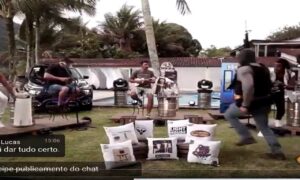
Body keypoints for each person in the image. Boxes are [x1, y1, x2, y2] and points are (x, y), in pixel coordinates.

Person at [224, 49, 286, 160]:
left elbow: (249, 86)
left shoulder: (244, 69)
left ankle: (246, 136)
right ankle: (277, 152)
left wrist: (245, 105)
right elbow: (268, 84)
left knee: (229, 114)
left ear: (242, 57)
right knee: (264, 127)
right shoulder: (263, 67)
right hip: (264, 102)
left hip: (251, 102)